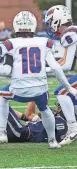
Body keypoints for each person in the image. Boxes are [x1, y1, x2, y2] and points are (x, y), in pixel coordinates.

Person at [0, 11, 77, 148]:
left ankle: (2, 133)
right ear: (34, 26)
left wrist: (4, 69)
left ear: (16, 26)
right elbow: (56, 68)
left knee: (2, 95)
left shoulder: (10, 43)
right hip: (40, 91)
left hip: (18, 90)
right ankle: (52, 141)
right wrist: (68, 87)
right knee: (45, 108)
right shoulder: (44, 42)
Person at [45, 5, 77, 146]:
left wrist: (42, 69)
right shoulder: (72, 31)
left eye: (51, 21)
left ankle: (73, 128)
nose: (50, 25)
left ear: (57, 20)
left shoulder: (69, 34)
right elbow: (63, 61)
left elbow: (67, 65)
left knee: (61, 92)